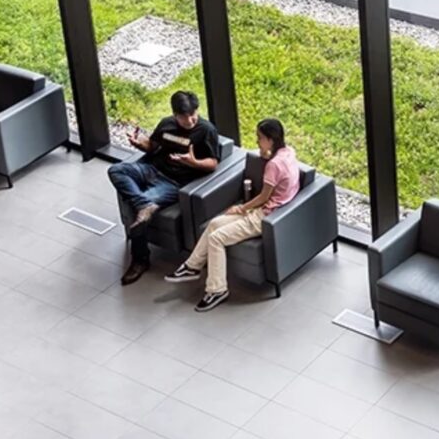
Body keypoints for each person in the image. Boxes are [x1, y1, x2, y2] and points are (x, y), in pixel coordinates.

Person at [166, 119, 301, 311]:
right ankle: (192, 266)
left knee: (217, 238)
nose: (256, 141)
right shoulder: (288, 153)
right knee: (214, 223)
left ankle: (217, 290)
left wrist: (241, 208)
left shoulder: (274, 166)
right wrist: (264, 153)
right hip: (265, 210)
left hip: (264, 216)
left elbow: (263, 197)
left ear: (271, 140)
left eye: (260, 138)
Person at [109, 90, 220, 285]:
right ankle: (144, 204)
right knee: (116, 170)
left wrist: (193, 162)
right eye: (185, 116)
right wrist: (140, 144)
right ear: (175, 115)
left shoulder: (206, 130)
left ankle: (140, 260)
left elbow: (212, 163)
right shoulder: (166, 124)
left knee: (136, 211)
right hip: (151, 168)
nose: (191, 119)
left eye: (193, 114)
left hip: (173, 182)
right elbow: (152, 146)